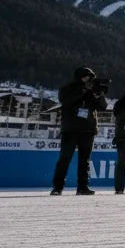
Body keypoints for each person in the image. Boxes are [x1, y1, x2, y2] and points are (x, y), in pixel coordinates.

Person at [51, 66, 109, 195]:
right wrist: (82, 90)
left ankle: (83, 187)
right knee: (65, 158)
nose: (87, 80)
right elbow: (65, 101)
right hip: (70, 129)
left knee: (85, 161)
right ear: (79, 77)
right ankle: (58, 187)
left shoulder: (92, 91)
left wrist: (98, 94)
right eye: (85, 77)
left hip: (88, 129)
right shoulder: (67, 89)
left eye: (90, 77)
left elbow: (102, 107)